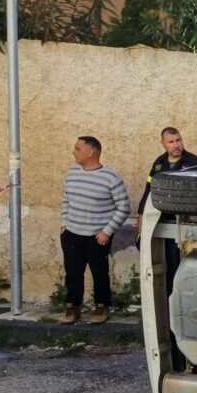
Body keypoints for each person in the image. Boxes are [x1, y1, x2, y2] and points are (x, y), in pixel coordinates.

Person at [60, 136, 131, 324]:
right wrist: (64, 223)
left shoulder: (111, 177)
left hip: (97, 236)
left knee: (99, 273)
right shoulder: (72, 173)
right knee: (72, 272)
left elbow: (124, 207)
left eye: (77, 148)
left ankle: (101, 306)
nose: (73, 151)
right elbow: (66, 199)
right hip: (71, 233)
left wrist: (107, 231)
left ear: (90, 152)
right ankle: (72, 306)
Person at [136, 127, 197, 236]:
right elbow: (149, 189)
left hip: (186, 220)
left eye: (178, 140)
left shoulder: (195, 163)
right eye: (171, 142)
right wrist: (141, 213)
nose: (176, 145)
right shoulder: (159, 163)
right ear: (163, 144)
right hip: (159, 217)